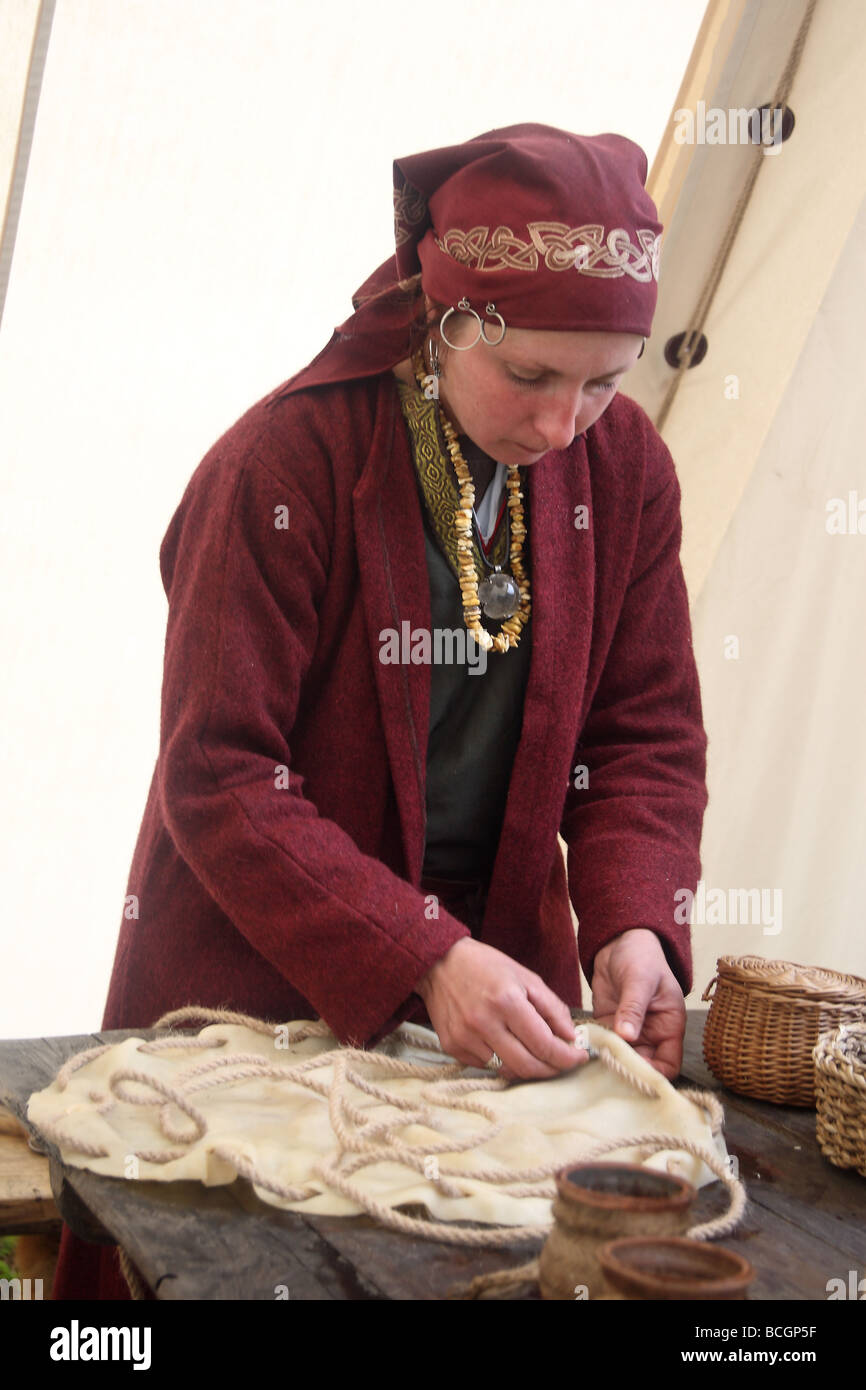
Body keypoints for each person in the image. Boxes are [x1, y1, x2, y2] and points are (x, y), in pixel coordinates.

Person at [51, 122, 708, 1299]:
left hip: (499, 1022)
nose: (563, 427)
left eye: (604, 383)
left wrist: (633, 923)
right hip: (251, 1008)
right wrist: (420, 951)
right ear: (445, 318)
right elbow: (221, 774)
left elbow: (641, 733)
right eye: (529, 376)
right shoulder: (281, 466)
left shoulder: (626, 474)